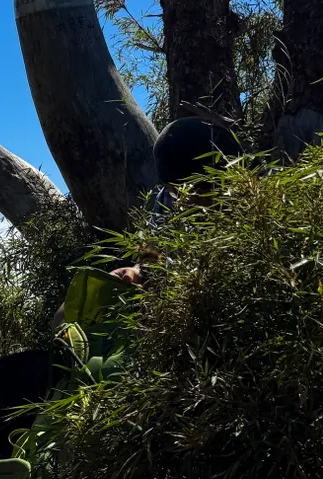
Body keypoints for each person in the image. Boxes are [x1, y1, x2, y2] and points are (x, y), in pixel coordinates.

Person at [52, 116, 245, 329]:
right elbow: (153, 254)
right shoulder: (167, 199)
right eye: (176, 192)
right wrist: (135, 272)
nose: (184, 203)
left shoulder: (263, 201)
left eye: (198, 190)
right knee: (63, 317)